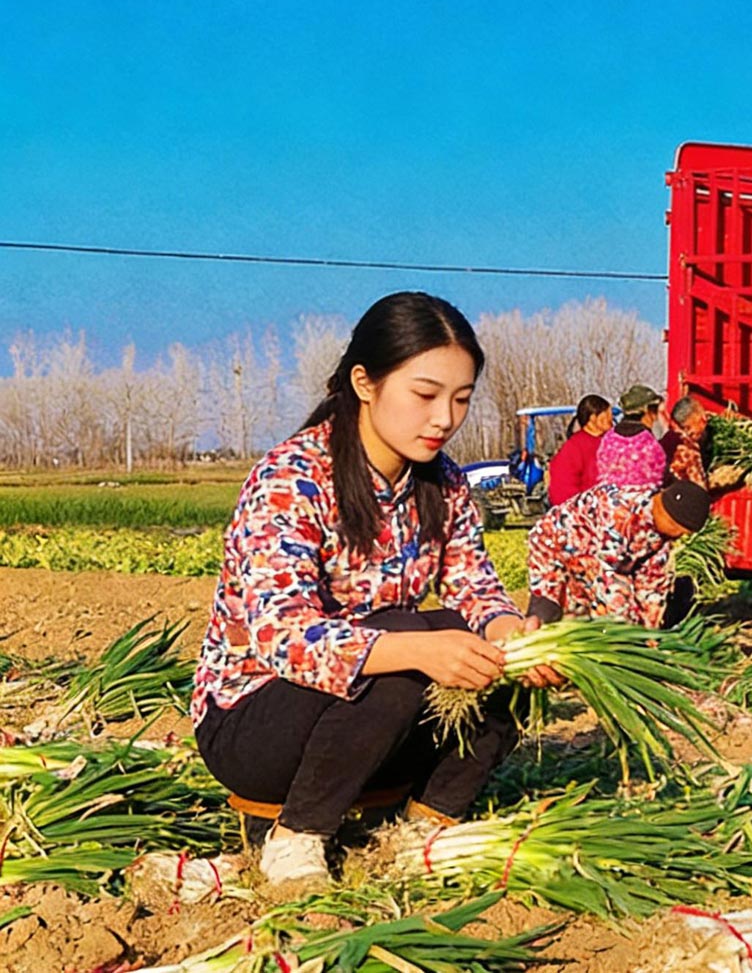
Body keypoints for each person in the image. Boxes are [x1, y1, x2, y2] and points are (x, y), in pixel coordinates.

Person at [190, 292, 559, 893]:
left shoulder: (442, 482)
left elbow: (475, 588)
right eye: (425, 395)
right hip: (256, 725)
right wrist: (417, 650)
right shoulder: (292, 477)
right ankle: (297, 838)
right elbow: (281, 635)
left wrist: (514, 640)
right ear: (365, 382)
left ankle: (421, 828)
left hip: (366, 722)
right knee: (413, 634)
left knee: (496, 665)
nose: (444, 417)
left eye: (461, 399)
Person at [525, 478, 712, 628]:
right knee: (547, 612)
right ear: (665, 512)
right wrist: (627, 630)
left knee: (582, 620)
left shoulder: (661, 537)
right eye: (678, 530)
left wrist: (649, 630)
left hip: (589, 561)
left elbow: (652, 585)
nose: (678, 536)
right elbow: (608, 578)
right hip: (554, 546)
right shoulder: (619, 511)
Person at [546, 394, 612, 507]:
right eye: (607, 415)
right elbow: (562, 490)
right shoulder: (574, 448)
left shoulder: (613, 443)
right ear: (593, 418)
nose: (611, 420)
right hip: (586, 513)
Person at [595, 384, 666, 488]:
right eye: (655, 411)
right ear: (647, 411)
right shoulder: (647, 440)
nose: (656, 418)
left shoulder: (608, 439)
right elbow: (660, 474)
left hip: (611, 498)